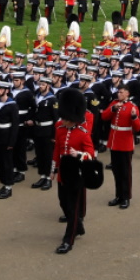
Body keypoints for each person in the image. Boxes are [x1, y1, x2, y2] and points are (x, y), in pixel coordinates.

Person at [52, 88, 94, 254]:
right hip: (63, 171)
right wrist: (54, 169)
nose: (64, 121)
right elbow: (56, 150)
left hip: (76, 173)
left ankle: (68, 240)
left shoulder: (83, 134)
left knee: (73, 207)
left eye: (66, 119)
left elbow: (90, 154)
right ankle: (79, 226)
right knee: (63, 202)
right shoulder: (60, 129)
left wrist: (79, 155)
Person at [101, 79, 140, 209]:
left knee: (125, 172)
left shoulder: (132, 107)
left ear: (127, 94)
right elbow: (104, 117)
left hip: (125, 142)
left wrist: (134, 117)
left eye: (121, 92)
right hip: (114, 141)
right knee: (116, 171)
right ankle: (118, 196)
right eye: (118, 92)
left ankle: (126, 197)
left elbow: (138, 128)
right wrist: (113, 108)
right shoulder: (114, 103)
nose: (119, 94)